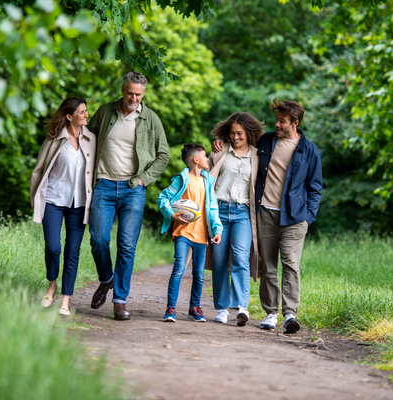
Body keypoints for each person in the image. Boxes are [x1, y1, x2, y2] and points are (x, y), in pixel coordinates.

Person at [213, 99, 322, 334]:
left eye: (282, 121)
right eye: (277, 119)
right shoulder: (266, 141)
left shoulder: (309, 150)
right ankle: (271, 313)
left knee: (290, 264)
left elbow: (315, 187)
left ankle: (290, 314)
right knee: (268, 266)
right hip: (265, 214)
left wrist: (308, 217)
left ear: (296, 123)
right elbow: (239, 141)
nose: (277, 124)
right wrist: (219, 143)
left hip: (295, 217)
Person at [87, 71, 170, 320]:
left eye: (139, 94)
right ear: (123, 90)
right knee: (98, 239)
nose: (134, 98)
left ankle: (120, 300)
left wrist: (144, 179)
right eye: (130, 93)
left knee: (126, 246)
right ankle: (106, 278)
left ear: (143, 93)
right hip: (103, 185)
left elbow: (163, 155)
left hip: (133, 188)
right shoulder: (105, 111)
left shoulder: (151, 119)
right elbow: (86, 137)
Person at [30, 97, 96, 316]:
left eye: (86, 111)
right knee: (53, 247)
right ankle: (52, 284)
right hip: (53, 200)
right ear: (69, 116)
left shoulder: (91, 140)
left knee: (72, 252)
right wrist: (36, 200)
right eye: (82, 112)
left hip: (79, 204)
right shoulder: (54, 139)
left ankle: (66, 300)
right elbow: (39, 170)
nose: (86, 115)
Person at [207, 112, 263, 326]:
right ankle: (222, 308)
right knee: (220, 261)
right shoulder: (220, 152)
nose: (236, 137)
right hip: (219, 211)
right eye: (232, 133)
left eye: (240, 133)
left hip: (242, 213)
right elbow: (206, 177)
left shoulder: (257, 155)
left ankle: (241, 307)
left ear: (248, 133)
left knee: (241, 258)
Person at [157, 144, 222, 323]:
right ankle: (171, 308)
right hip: (182, 233)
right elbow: (163, 198)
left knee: (199, 274)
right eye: (205, 156)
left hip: (202, 236)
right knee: (178, 269)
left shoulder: (207, 181)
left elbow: (213, 208)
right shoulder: (181, 180)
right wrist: (171, 214)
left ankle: (194, 307)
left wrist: (217, 230)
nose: (207, 159)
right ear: (196, 160)